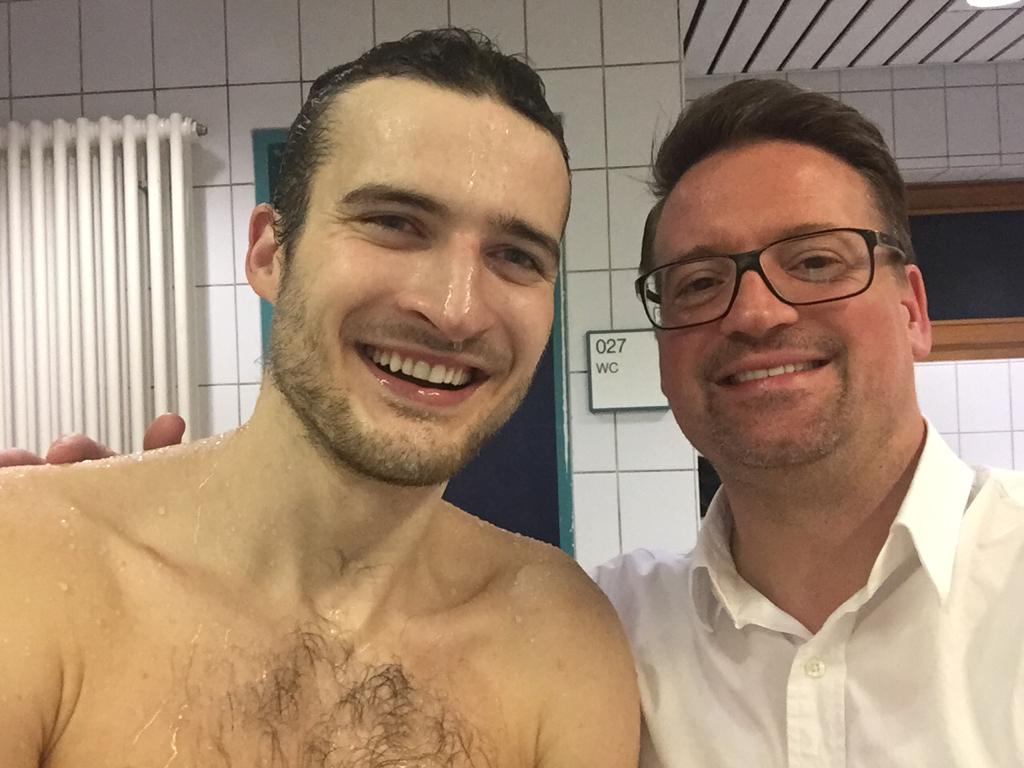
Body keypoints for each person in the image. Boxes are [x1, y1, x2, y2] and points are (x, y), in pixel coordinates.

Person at [0, 29, 639, 767]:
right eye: (394, 223)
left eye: (516, 256)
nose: (457, 310)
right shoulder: (34, 562)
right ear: (270, 253)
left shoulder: (561, 636)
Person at [595, 78, 1024, 766]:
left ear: (913, 311)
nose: (755, 313)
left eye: (815, 261)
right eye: (700, 283)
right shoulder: (608, 633)